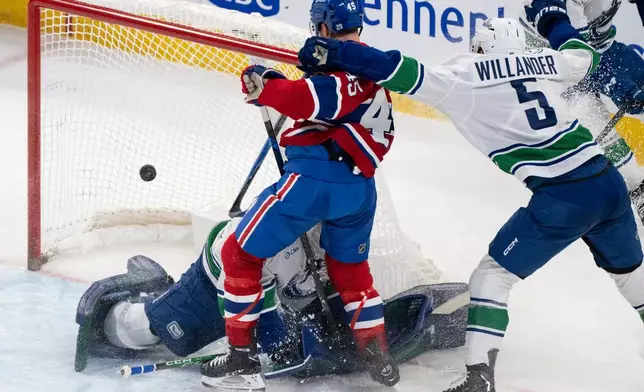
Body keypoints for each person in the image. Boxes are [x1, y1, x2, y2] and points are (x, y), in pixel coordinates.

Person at [298, 6, 644, 392]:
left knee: (491, 277)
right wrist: (551, 19)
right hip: (610, 185)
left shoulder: (464, 76)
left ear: (481, 48)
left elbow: (397, 69)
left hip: (563, 197)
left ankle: (479, 380)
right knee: (631, 277)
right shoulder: (544, 62)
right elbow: (587, 56)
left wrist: (334, 53)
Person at [199, 0, 402, 390]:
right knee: (352, 273)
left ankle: (241, 362)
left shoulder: (346, 70)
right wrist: (273, 81)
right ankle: (376, 353)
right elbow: (319, 98)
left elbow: (304, 98)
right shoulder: (373, 69)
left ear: (324, 27)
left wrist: (267, 85)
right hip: (359, 190)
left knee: (238, 254)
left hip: (312, 183)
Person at [74, 218, 469, 377]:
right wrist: (280, 348)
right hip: (221, 281)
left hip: (281, 278)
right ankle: (125, 309)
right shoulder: (270, 243)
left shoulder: (339, 227)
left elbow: (344, 289)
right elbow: (264, 329)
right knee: (161, 334)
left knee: (314, 321)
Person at [521, 0, 644, 221]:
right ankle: (637, 189)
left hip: (600, 46)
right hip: (552, 54)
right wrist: (610, 77)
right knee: (589, 117)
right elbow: (573, 49)